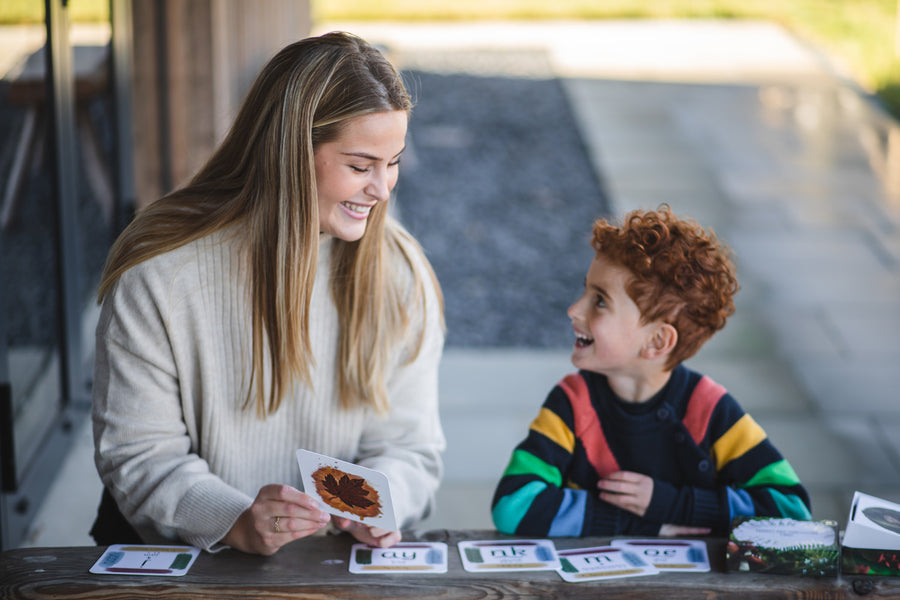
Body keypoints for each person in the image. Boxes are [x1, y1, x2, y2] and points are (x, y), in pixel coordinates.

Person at [90, 31, 445, 556]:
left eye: (392, 162)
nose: (383, 188)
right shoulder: (159, 277)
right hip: (188, 567)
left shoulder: (399, 269)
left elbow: (409, 446)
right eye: (359, 165)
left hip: (333, 567)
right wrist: (233, 520)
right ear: (290, 153)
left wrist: (382, 501)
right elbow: (139, 455)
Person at [491, 206, 811, 537]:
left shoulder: (710, 409)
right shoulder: (571, 403)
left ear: (657, 341)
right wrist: (648, 523)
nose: (574, 309)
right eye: (586, 290)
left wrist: (678, 504)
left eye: (599, 301)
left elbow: (792, 514)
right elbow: (512, 506)